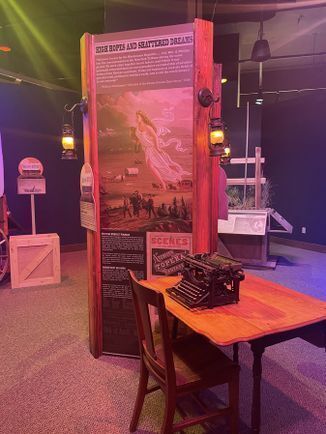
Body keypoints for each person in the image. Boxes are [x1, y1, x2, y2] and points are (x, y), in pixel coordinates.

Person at [135, 111, 190, 190]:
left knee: (158, 165)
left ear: (142, 117)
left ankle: (166, 183)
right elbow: (140, 137)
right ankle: (166, 182)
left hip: (152, 148)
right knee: (154, 166)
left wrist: (157, 148)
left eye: (137, 117)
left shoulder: (147, 127)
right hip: (146, 149)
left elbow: (155, 137)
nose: (136, 119)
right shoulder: (138, 127)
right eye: (136, 117)